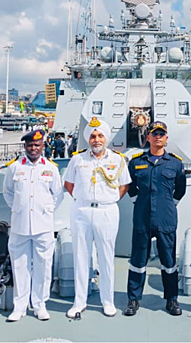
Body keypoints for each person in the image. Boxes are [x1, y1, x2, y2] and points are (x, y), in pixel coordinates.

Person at [63, 117, 131, 318]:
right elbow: (69, 184)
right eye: (93, 136)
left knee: (106, 257)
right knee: (81, 256)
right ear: (88, 139)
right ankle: (79, 301)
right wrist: (82, 199)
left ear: (106, 138)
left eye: (100, 135)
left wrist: (109, 200)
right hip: (82, 211)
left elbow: (124, 184)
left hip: (107, 211)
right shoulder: (78, 160)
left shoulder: (117, 160)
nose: (96, 140)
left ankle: (107, 301)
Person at [123, 121, 186, 317]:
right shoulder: (136, 162)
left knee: (168, 260)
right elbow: (130, 185)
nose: (158, 137)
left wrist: (169, 204)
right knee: (138, 259)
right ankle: (133, 299)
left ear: (166, 138)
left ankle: (172, 299)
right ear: (148, 137)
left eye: (161, 134)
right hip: (142, 216)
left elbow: (181, 188)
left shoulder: (175, 163)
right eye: (154, 134)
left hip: (166, 217)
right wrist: (138, 201)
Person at [3, 128, 64, 322]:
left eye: (37, 145)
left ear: (43, 146)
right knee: (19, 265)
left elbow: (58, 194)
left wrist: (46, 209)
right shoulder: (15, 168)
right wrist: (19, 208)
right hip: (20, 224)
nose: (33, 148)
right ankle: (19, 306)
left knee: (43, 265)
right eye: (30, 145)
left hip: (43, 224)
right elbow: (8, 193)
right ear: (25, 146)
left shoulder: (51, 168)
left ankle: (40, 304)